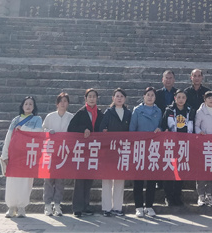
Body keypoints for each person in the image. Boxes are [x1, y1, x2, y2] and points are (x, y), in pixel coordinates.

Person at [1, 96, 43, 218]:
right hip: (14, 155)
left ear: (34, 107)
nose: (28, 106)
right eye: (26, 104)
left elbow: (38, 132)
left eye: (31, 104)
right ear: (22, 106)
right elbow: (8, 137)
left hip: (28, 155)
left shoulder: (37, 119)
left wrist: (23, 128)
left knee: (26, 182)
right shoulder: (16, 120)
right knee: (12, 181)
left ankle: (21, 207)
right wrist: (5, 154)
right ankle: (11, 207)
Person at [67, 88, 103, 218]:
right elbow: (71, 128)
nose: (92, 98)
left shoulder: (100, 113)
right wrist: (83, 129)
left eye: (94, 96)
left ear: (97, 98)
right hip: (81, 151)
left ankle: (86, 205)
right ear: (85, 99)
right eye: (90, 96)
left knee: (89, 179)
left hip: (94, 151)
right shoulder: (81, 113)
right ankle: (77, 207)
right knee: (79, 179)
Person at [129, 86, 163, 218]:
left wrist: (160, 129)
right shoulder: (137, 110)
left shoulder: (158, 111)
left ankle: (149, 206)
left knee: (151, 179)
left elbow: (161, 125)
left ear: (155, 97)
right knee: (138, 179)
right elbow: (132, 129)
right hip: (139, 147)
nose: (150, 97)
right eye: (148, 95)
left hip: (153, 148)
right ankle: (138, 206)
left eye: (152, 95)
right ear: (144, 96)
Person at [100, 88, 132, 217]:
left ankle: (117, 207)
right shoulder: (108, 112)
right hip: (109, 149)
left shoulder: (128, 113)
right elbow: (102, 128)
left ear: (125, 99)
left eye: (121, 96)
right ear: (113, 98)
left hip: (123, 149)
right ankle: (106, 208)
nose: (119, 98)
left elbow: (131, 130)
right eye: (117, 96)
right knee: (107, 179)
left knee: (119, 179)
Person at [161, 89, 195, 206]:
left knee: (180, 170)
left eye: (183, 97)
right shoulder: (169, 110)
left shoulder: (190, 111)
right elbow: (164, 125)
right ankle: (168, 196)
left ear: (186, 99)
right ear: (175, 98)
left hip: (184, 144)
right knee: (170, 169)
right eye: (179, 97)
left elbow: (192, 127)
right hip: (171, 144)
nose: (181, 100)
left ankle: (177, 195)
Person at [42, 92, 73, 216]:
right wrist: (48, 131)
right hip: (50, 151)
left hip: (63, 152)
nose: (63, 103)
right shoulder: (50, 116)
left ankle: (57, 204)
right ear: (57, 103)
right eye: (61, 101)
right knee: (48, 179)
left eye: (65, 101)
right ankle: (47, 205)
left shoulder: (71, 117)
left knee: (60, 179)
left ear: (68, 103)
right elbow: (42, 129)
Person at [194, 91, 212, 207]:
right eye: (208, 98)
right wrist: (200, 132)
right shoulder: (200, 112)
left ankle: (209, 194)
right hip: (203, 145)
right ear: (204, 100)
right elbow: (196, 126)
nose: (211, 100)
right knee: (201, 170)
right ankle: (200, 195)